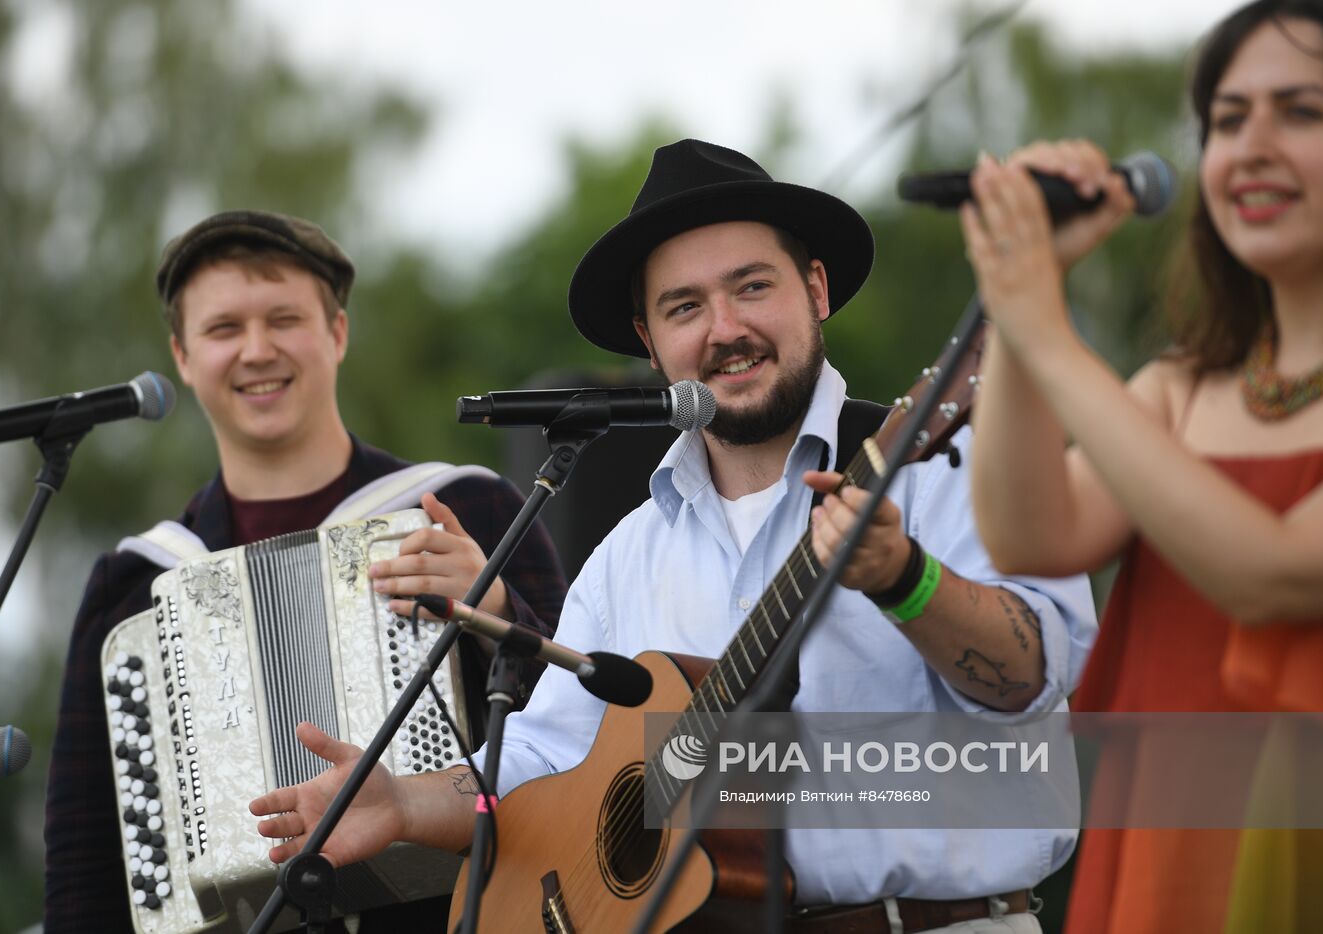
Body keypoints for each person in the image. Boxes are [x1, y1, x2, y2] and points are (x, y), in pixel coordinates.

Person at [250, 140, 1098, 932]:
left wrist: (905, 579)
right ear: (651, 345)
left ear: (816, 290)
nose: (724, 328)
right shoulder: (628, 554)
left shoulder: (954, 470)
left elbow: (1036, 674)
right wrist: (400, 805)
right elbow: (541, 763)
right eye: (685, 307)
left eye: (752, 287)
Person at [42, 210, 568, 933]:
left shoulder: (469, 506)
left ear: (338, 333)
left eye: (284, 319)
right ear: (184, 357)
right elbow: (84, 851)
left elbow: (585, 739)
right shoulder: (133, 581)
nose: (256, 350)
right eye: (224, 329)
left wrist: (501, 615)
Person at [960, 2, 1323, 932]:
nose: (1251, 146)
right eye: (1227, 118)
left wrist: (1050, 338)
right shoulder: (1179, 390)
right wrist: (1024, 313)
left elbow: (1272, 574)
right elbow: (1028, 532)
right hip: (1163, 864)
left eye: (1300, 112)